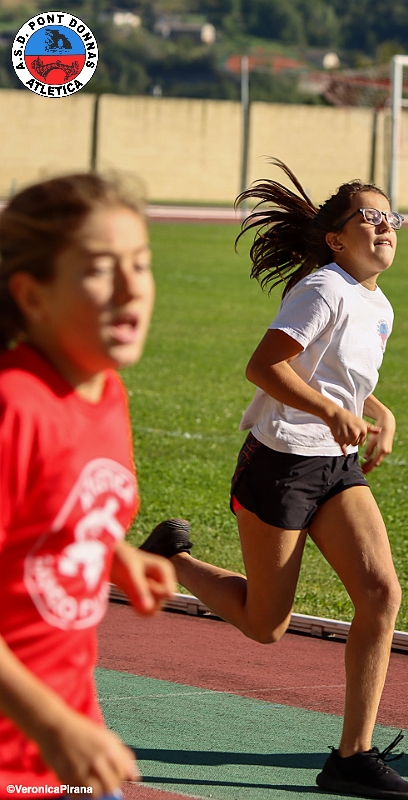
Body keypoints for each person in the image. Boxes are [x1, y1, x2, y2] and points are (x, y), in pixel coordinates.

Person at [141, 160, 408, 799]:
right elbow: (265, 367)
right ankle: (172, 560)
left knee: (381, 594)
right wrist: (329, 412)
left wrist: (378, 410)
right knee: (266, 624)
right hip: (282, 463)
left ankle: (352, 756)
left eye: (391, 217)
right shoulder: (323, 289)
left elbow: (335, 375)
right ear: (336, 239)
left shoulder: (377, 303)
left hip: (335, 466)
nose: (385, 226)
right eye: (371, 217)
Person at [0, 174, 176, 799]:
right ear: (33, 296)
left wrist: (109, 550)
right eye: (101, 269)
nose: (131, 288)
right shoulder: (13, 406)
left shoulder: (104, 391)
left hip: (68, 748)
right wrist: (51, 726)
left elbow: (45, 515)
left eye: (141, 264)